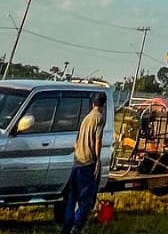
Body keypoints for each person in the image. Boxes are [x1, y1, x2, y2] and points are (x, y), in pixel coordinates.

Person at [60, 92, 105, 233]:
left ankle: (66, 227)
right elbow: (98, 140)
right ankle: (77, 226)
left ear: (93, 104)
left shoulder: (86, 118)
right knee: (86, 198)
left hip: (77, 160)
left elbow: (77, 140)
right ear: (103, 105)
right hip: (87, 162)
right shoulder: (99, 118)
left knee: (72, 198)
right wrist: (97, 159)